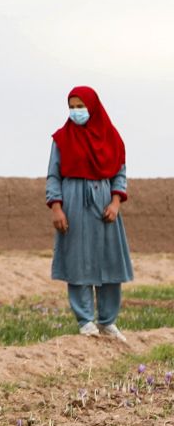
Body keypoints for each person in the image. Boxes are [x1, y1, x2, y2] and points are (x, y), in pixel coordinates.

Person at [47, 86, 132, 341]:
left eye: (80, 106)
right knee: (78, 261)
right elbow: (53, 175)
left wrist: (115, 203)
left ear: (92, 107)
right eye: (71, 107)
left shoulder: (111, 137)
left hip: (105, 202)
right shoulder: (62, 139)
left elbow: (119, 172)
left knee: (110, 262)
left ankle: (107, 321)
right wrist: (57, 207)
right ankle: (85, 321)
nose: (76, 112)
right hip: (73, 202)